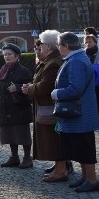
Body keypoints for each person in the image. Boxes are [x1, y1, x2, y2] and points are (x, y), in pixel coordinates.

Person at [52, 32, 99, 193]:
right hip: (81, 112)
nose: (58, 48)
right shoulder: (77, 58)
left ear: (66, 46)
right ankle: (86, 177)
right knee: (81, 148)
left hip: (81, 114)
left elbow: (75, 88)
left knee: (85, 148)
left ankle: (92, 180)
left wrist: (56, 94)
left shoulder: (76, 61)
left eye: (59, 45)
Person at [23, 32, 71, 182]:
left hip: (50, 108)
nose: (39, 47)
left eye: (41, 45)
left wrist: (29, 88)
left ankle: (61, 169)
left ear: (48, 46)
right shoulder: (51, 60)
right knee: (54, 138)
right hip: (48, 106)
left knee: (54, 139)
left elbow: (45, 87)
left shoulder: (53, 63)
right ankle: (61, 165)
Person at [0, 44, 33, 168]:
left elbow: (30, 90)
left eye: (9, 54)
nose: (6, 57)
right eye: (5, 54)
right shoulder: (1, 71)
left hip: (19, 109)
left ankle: (27, 158)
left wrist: (17, 88)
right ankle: (14, 157)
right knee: (9, 133)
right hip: (4, 108)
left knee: (23, 134)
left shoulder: (24, 71)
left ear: (16, 56)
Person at [84, 35, 99, 111]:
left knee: (96, 104)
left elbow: (97, 67)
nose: (88, 43)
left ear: (95, 43)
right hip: (85, 82)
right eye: (86, 42)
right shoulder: (83, 54)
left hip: (95, 81)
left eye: (90, 42)